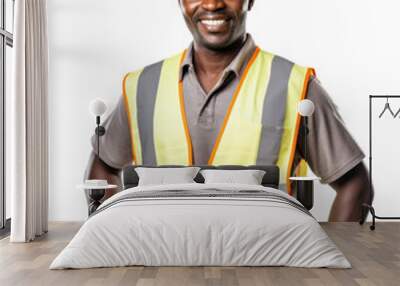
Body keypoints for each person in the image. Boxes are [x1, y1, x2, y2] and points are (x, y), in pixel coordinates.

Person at [85, 0, 373, 222]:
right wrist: (118, 235)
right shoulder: (142, 86)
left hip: (267, 264)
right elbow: (104, 166)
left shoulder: (294, 85)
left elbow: (354, 184)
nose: (212, 4)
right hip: (163, 257)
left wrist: (329, 257)